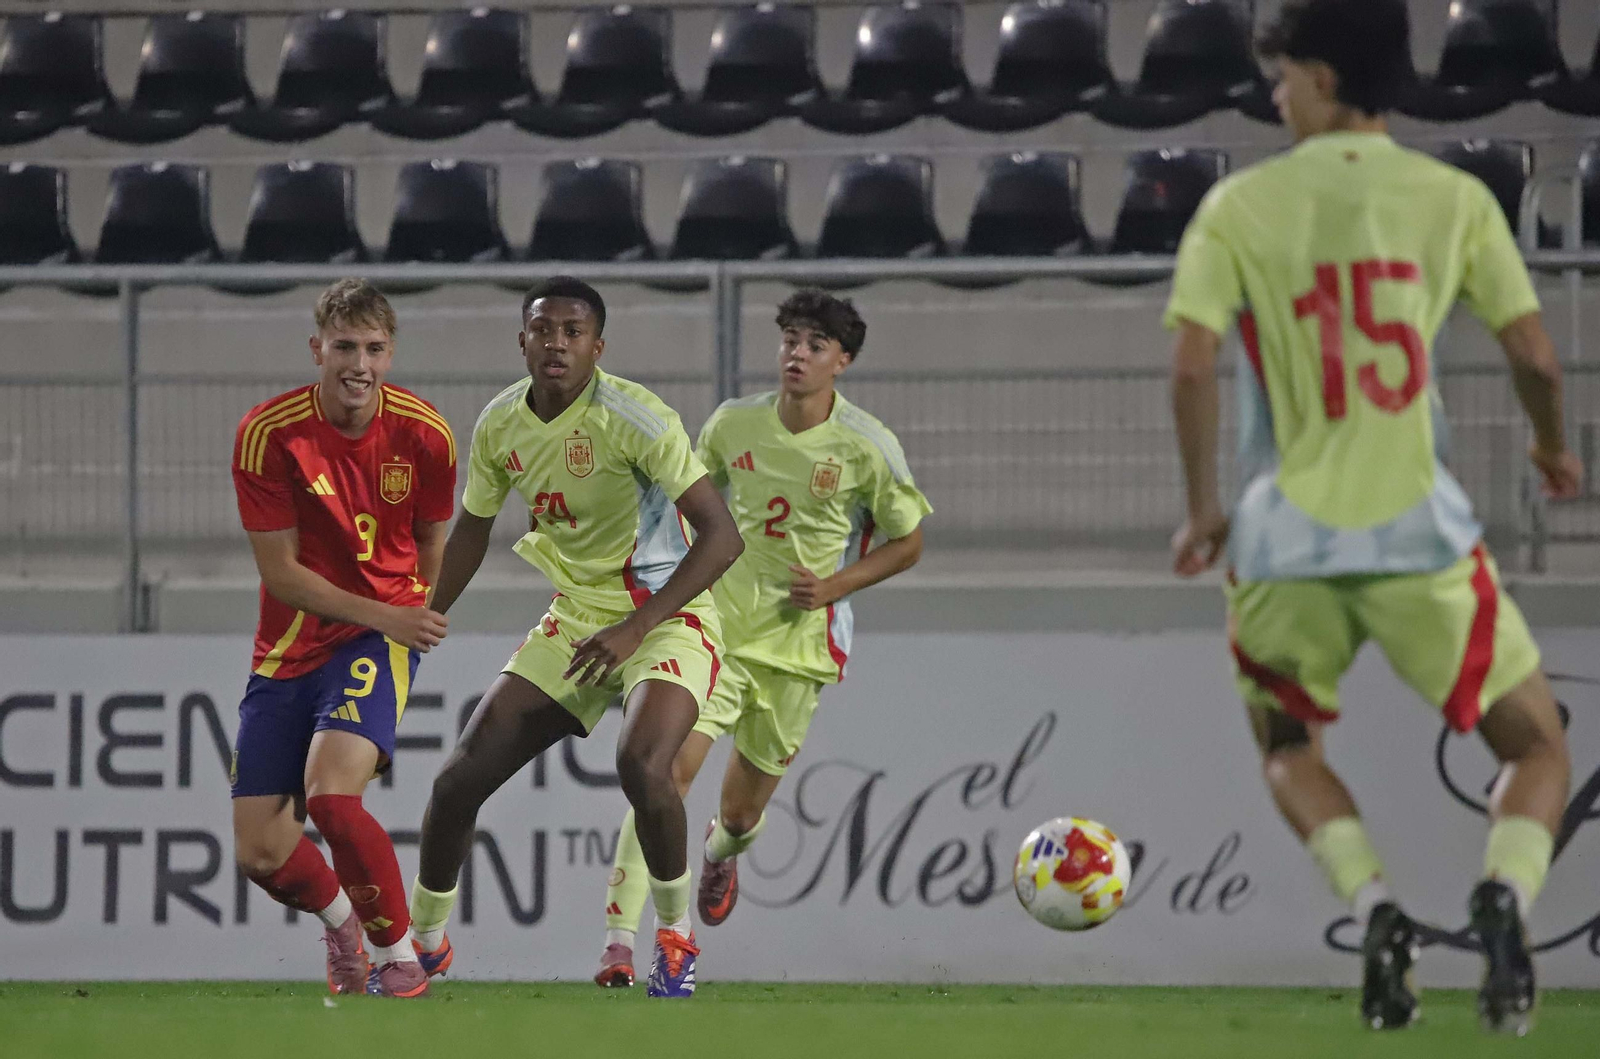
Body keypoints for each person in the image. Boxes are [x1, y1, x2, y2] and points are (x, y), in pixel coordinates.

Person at [1165, 0, 1583, 1034]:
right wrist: (1548, 445)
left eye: (1279, 79)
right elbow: (1534, 355)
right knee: (1535, 749)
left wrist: (1205, 509)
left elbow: (1190, 365)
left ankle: (1377, 910)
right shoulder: (1452, 200)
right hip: (1418, 540)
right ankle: (1504, 900)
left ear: (1316, 74)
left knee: (1285, 746)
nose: (1273, 98)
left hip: (1281, 542)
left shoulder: (1238, 208)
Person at [406, 276, 744, 998]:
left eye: (572, 331)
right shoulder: (501, 422)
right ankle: (422, 944)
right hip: (576, 619)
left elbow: (723, 537)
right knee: (457, 778)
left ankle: (677, 941)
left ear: (598, 346)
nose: (556, 342)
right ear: (522, 339)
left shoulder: (636, 416)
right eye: (542, 329)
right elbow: (473, 526)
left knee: (643, 764)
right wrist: (422, 613)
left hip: (665, 617)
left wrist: (636, 627)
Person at [594, 290, 932, 988]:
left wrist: (835, 587)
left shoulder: (868, 446)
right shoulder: (730, 424)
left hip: (799, 651)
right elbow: (689, 509)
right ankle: (622, 943)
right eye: (789, 339)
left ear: (843, 360)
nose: (797, 353)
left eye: (814, 344)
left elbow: (909, 540)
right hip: (716, 636)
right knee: (660, 776)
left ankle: (723, 851)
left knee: (742, 813)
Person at [229, 279, 456, 998]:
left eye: (375, 348)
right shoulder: (269, 434)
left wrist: (405, 621)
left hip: (376, 641)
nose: (360, 363)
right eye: (346, 346)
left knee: (333, 798)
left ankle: (398, 956)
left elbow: (431, 543)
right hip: (289, 645)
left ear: (391, 353)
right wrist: (390, 614)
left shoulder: (426, 435)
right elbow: (283, 575)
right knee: (261, 851)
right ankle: (340, 925)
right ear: (317, 348)